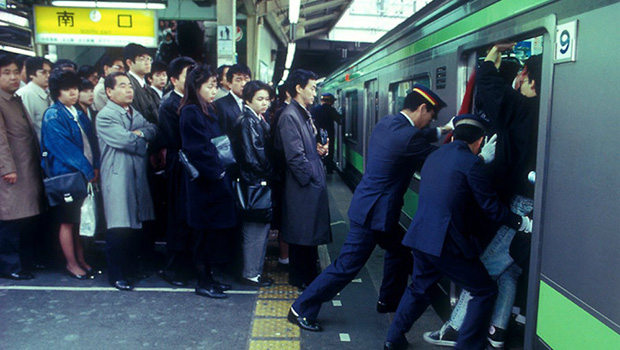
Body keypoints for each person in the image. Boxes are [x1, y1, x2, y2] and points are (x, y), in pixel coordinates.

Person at [288, 85, 452, 331]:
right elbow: (441, 162)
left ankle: (388, 300)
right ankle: (300, 308)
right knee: (346, 267)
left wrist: (444, 130)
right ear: (422, 108)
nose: (430, 122)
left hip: (373, 207)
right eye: (431, 116)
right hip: (374, 215)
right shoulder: (408, 137)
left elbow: (417, 136)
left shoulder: (388, 123)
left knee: (399, 249)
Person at [423, 44, 541, 349]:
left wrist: (489, 60)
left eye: (523, 75)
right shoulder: (546, 112)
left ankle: (456, 329)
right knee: (510, 270)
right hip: (534, 200)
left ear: (531, 80)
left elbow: (493, 92)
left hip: (521, 204)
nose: (518, 80)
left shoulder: (525, 109)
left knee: (485, 268)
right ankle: (498, 331)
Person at [383, 114, 533, 350]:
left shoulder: (435, 155)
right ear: (480, 141)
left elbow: (453, 176)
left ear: (455, 135)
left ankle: (393, 338)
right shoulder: (472, 164)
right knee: (483, 289)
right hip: (445, 244)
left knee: (419, 288)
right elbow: (491, 208)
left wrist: (481, 161)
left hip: (420, 236)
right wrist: (520, 223)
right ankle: (468, 345)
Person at [178, 64, 237, 299]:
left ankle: (210, 278)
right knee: (203, 235)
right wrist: (219, 173)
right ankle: (203, 281)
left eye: (215, 86)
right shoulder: (190, 111)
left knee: (212, 235)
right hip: (204, 184)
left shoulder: (206, 108)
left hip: (213, 181)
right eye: (210, 86)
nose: (214, 91)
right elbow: (199, 149)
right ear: (196, 86)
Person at [96, 72, 158, 291]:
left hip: (134, 175)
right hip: (117, 176)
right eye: (122, 86)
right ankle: (117, 274)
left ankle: (130, 269)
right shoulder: (105, 115)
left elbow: (153, 129)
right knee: (118, 226)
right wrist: (141, 140)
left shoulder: (133, 112)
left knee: (133, 225)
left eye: (130, 86)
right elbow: (125, 140)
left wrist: (139, 134)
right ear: (109, 92)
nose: (129, 90)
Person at [40, 69, 100, 280]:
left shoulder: (76, 111)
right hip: (67, 176)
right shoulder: (54, 115)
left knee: (77, 219)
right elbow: (64, 149)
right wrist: (87, 169)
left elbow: (91, 142)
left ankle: (81, 260)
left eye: (75, 88)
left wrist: (95, 166)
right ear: (57, 92)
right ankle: (72, 263)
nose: (73, 93)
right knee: (67, 221)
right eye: (68, 89)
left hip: (82, 174)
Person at [275, 69, 331, 290]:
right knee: (302, 235)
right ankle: (301, 278)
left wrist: (318, 151)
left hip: (308, 184)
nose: (315, 93)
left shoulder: (301, 113)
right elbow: (295, 157)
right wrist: (311, 176)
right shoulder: (290, 115)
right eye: (313, 87)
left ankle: (306, 276)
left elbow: (304, 150)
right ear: (299, 88)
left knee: (307, 235)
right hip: (303, 186)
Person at [0, 55, 45, 280]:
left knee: (23, 218)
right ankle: (10, 266)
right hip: (11, 172)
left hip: (25, 168)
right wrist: (7, 168)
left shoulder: (14, 98)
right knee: (10, 219)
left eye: (16, 72)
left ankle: (23, 262)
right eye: (6, 73)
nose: (13, 77)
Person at [231, 80, 275, 287]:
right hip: (254, 183)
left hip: (254, 181)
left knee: (258, 229)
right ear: (248, 99)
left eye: (267, 99)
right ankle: (250, 273)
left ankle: (253, 271)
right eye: (260, 99)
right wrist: (270, 173)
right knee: (255, 230)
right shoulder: (248, 121)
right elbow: (252, 156)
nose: (264, 103)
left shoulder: (255, 118)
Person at [157, 56, 195, 286]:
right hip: (178, 165)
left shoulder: (189, 100)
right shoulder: (169, 104)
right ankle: (172, 270)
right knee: (177, 218)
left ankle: (186, 266)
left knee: (188, 217)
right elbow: (173, 139)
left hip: (189, 164)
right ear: (173, 79)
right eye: (187, 75)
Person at [16, 57, 53, 141]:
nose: (48, 75)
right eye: (43, 72)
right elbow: (25, 127)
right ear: (31, 74)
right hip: (36, 147)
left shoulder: (48, 92)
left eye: (49, 72)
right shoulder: (26, 93)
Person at [124, 43, 159, 125]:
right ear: (129, 63)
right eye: (142, 59)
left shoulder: (149, 89)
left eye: (149, 59)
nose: (147, 63)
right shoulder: (127, 86)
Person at [214, 63, 251, 135]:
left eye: (246, 79)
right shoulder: (220, 105)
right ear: (229, 83)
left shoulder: (252, 102)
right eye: (238, 80)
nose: (243, 84)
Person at [311, 93, 342, 173]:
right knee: (329, 151)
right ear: (329, 102)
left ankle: (318, 168)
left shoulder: (315, 109)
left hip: (317, 134)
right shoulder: (331, 110)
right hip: (328, 134)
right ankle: (329, 169)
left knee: (319, 151)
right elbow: (339, 121)